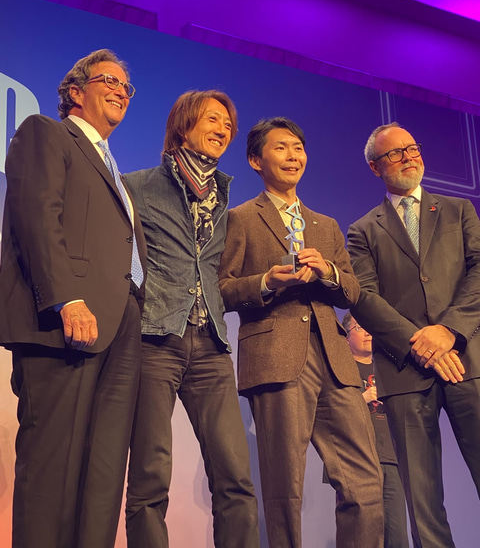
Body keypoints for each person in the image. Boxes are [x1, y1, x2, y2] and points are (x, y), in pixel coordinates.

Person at [0, 49, 146, 548]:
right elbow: (37, 217)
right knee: (52, 470)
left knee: (102, 476)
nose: (121, 91)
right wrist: (67, 298)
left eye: (126, 86)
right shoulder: (44, 132)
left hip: (121, 328)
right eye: (109, 80)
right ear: (75, 91)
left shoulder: (115, 171)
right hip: (66, 322)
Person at [218, 117, 384, 548]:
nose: (293, 156)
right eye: (281, 148)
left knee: (365, 481)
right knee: (285, 488)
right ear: (256, 160)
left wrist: (328, 271)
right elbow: (221, 289)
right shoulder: (239, 219)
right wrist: (266, 282)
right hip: (275, 357)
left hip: (335, 360)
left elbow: (351, 291)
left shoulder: (325, 225)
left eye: (298, 148)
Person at [124, 90, 259, 548]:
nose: (223, 129)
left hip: (211, 346)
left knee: (235, 475)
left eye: (228, 124)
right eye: (213, 119)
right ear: (184, 125)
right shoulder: (137, 186)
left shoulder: (225, 197)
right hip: (155, 339)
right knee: (150, 473)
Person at [347, 121, 480, 548]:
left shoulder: (459, 210)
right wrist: (419, 343)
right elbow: (364, 297)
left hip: (467, 360)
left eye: (412, 148)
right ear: (375, 167)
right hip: (405, 372)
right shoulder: (363, 230)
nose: (408, 157)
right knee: (423, 503)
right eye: (395, 153)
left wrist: (448, 331)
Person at [343, 312, 409, 548]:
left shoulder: (386, 368)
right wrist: (361, 400)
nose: (368, 333)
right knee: (362, 532)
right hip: (357, 458)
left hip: (391, 456)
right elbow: (330, 413)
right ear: (346, 337)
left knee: (397, 534)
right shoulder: (341, 371)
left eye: (369, 326)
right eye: (360, 327)